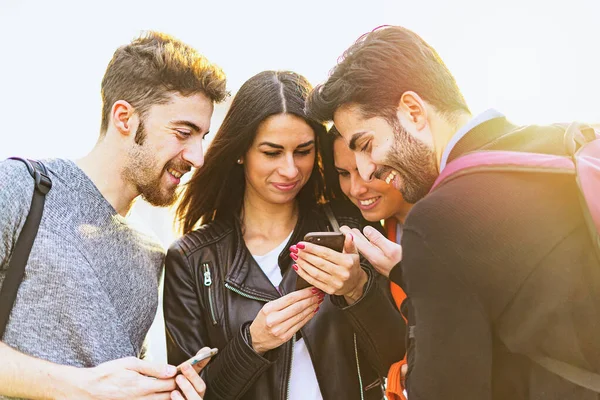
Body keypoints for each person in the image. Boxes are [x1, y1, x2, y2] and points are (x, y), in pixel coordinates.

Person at [306, 25, 600, 400]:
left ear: (413, 111)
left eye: (366, 144)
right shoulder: (558, 148)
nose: (366, 170)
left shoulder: (438, 220)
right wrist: (411, 273)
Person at [0, 31, 228, 400]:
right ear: (124, 118)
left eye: (201, 137)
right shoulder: (19, 188)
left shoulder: (150, 252)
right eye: (183, 133)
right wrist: (80, 388)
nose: (197, 157)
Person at [164, 70, 406, 400]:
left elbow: (399, 359)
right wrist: (253, 343)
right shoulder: (191, 260)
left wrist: (357, 291)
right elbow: (187, 393)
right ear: (240, 151)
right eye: (272, 152)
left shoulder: (348, 227)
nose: (291, 170)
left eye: (303, 151)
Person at [321, 126, 412, 400]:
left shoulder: (450, 221)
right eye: (343, 174)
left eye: (366, 171)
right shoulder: (385, 232)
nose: (356, 188)